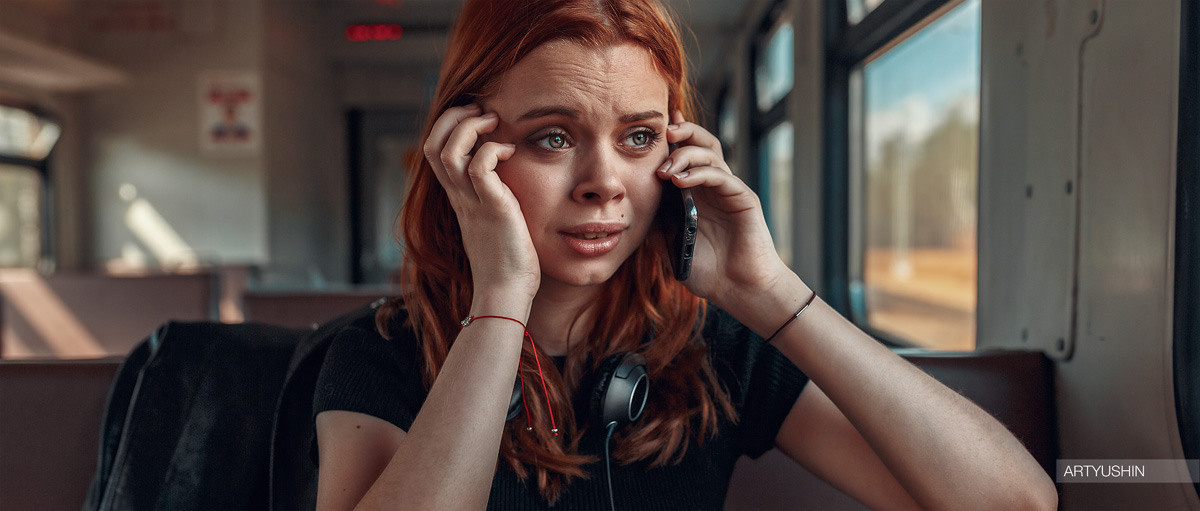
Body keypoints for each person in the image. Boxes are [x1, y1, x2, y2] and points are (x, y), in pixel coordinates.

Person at [312, 0, 1058, 509]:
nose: (606, 183)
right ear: (465, 152)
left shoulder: (710, 347)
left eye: (638, 137)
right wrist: (502, 297)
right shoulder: (378, 353)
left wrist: (767, 290)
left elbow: (1015, 502)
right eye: (553, 137)